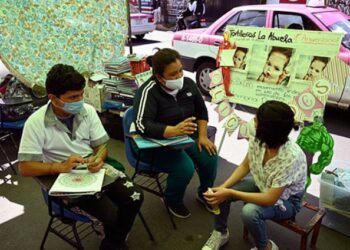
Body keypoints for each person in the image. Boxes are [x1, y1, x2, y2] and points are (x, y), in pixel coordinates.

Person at [18, 64, 143, 250]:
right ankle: (114, 239)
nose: (79, 100)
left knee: (135, 196)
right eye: (73, 97)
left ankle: (112, 242)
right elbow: (25, 167)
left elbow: (101, 146)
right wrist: (59, 167)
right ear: (53, 98)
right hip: (62, 177)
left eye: (81, 94)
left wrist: (99, 158)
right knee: (110, 214)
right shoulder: (36, 123)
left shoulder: (87, 111)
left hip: (92, 168)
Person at [202, 100, 307, 250]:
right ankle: (221, 232)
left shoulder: (291, 157)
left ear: (267, 130)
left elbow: (270, 198)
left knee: (249, 212)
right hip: (262, 183)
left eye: (256, 120)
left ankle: (266, 247)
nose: (252, 122)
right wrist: (224, 188)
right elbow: (246, 165)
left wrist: (230, 191)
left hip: (286, 201)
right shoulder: (259, 139)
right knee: (220, 193)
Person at [133, 48, 218, 218]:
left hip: (186, 138)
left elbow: (202, 112)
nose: (179, 76)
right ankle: (172, 199)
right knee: (184, 168)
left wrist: (202, 136)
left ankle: (204, 194)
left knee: (210, 156)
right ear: (159, 76)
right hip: (158, 144)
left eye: (180, 70)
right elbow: (142, 125)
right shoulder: (148, 91)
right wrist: (171, 131)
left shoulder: (189, 84)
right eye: (173, 74)